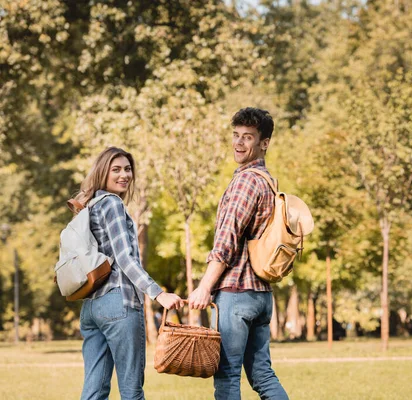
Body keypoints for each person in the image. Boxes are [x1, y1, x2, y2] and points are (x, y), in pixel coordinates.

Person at [189, 107, 288, 400]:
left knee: (228, 376)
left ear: (264, 142)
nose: (239, 143)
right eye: (236, 135)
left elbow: (226, 241)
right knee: (263, 375)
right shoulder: (269, 181)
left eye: (248, 137)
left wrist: (205, 287)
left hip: (235, 294)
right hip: (261, 295)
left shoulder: (246, 181)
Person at [74, 146, 184, 400]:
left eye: (127, 169)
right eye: (116, 169)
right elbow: (124, 257)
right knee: (131, 391)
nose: (124, 175)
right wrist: (159, 294)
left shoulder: (90, 206)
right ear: (103, 172)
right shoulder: (112, 204)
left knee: (94, 391)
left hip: (92, 307)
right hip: (119, 304)